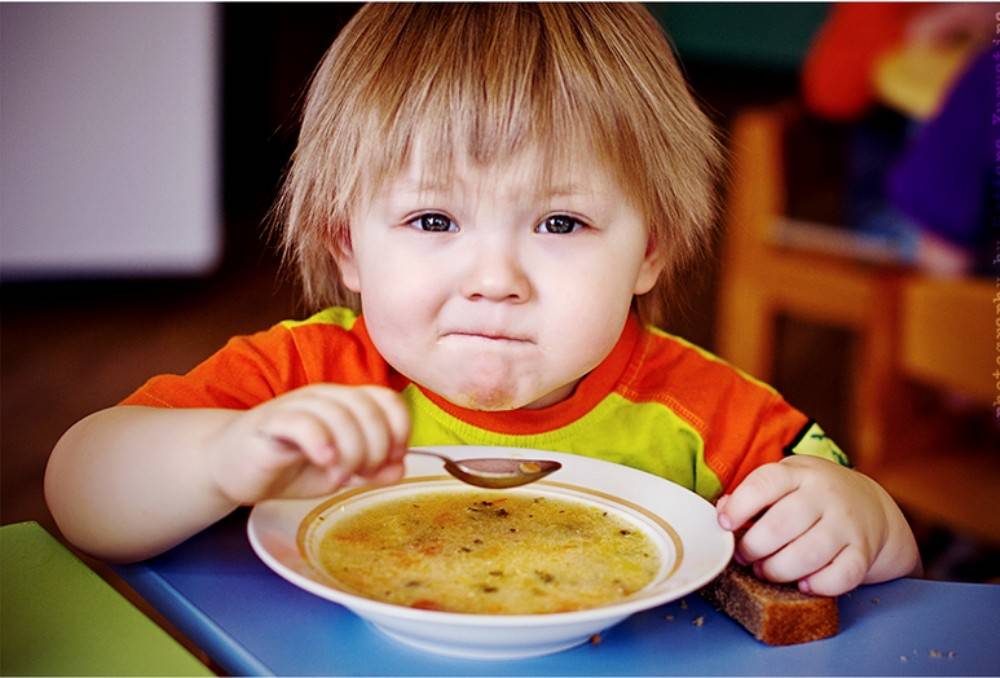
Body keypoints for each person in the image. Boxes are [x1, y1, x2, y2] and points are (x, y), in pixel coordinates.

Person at [44, 3, 920, 596]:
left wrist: (860, 522)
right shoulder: (305, 382)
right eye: (433, 219)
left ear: (648, 248)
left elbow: (888, 561)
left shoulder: (701, 415)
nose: (494, 277)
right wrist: (220, 458)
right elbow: (79, 490)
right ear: (347, 244)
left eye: (560, 223)